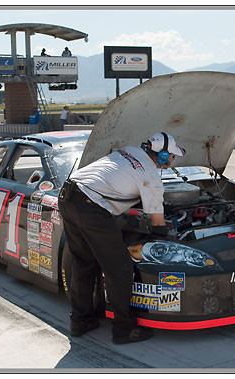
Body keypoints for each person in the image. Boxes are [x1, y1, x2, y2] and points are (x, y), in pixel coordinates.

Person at [57, 132, 186, 343]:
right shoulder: (152, 177)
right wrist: (165, 234)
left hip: (68, 195)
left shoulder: (130, 151)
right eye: (172, 156)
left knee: (84, 261)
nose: (173, 161)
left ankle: (80, 320)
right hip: (91, 206)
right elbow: (158, 224)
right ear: (162, 157)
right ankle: (123, 329)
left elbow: (119, 180)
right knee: (120, 268)